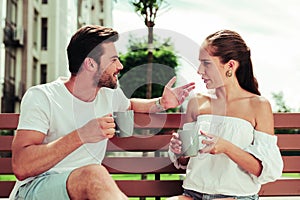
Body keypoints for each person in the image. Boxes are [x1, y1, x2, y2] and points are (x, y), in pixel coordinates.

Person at [9, 25, 195, 200]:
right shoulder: (43, 96)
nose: (120, 66)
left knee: (93, 176)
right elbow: (22, 166)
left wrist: (162, 102)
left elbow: (130, 105)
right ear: (90, 64)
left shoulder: (109, 95)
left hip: (84, 191)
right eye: (113, 60)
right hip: (35, 189)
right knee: (93, 174)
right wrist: (82, 135)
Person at [168, 30, 283, 200]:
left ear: (230, 65)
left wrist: (226, 147)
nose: (199, 71)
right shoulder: (196, 102)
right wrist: (181, 152)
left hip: (236, 196)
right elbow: (185, 160)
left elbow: (266, 170)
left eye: (206, 63)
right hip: (192, 194)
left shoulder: (258, 105)